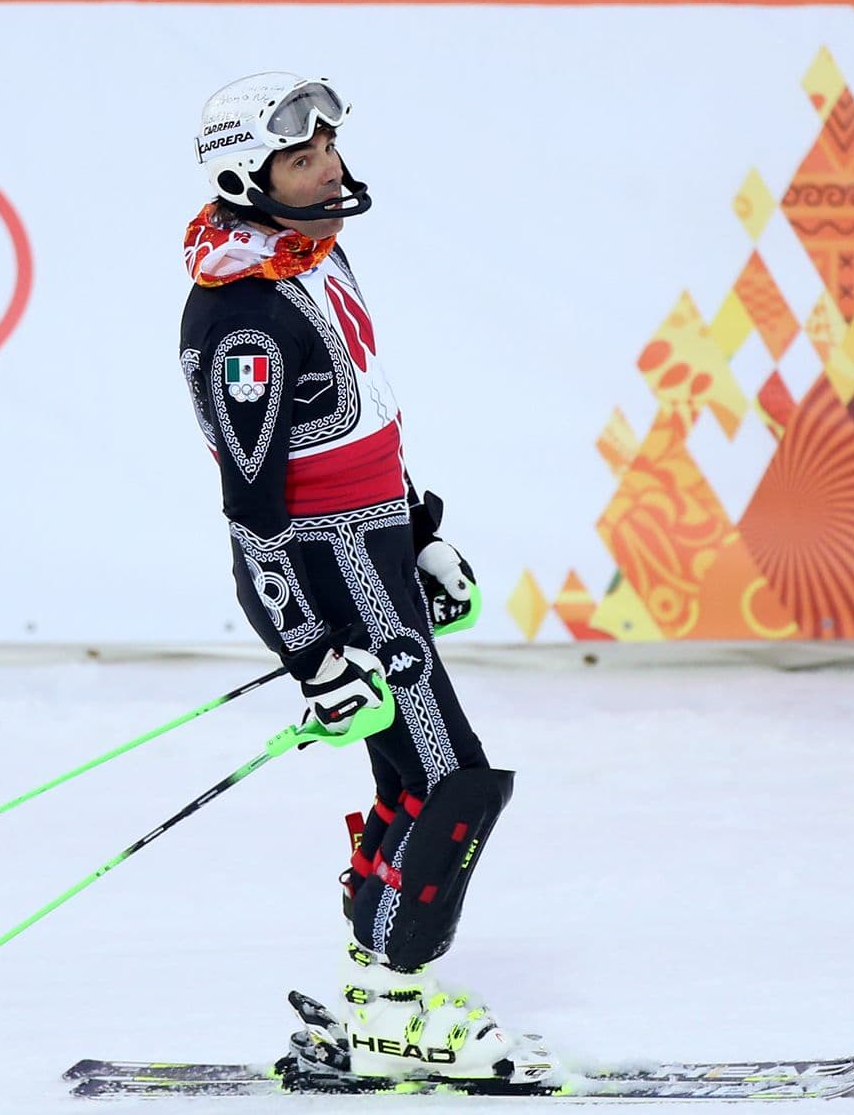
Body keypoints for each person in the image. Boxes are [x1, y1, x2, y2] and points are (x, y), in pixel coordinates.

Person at [178, 72, 548, 1082]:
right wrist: (309, 654)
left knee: (409, 779)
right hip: (334, 569)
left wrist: (419, 533)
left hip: (375, 552)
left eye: (329, 147)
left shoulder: (311, 264)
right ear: (245, 175)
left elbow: (365, 425)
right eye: (302, 157)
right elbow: (253, 519)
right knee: (450, 781)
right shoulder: (243, 317)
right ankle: (394, 1001)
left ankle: (374, 978)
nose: (329, 167)